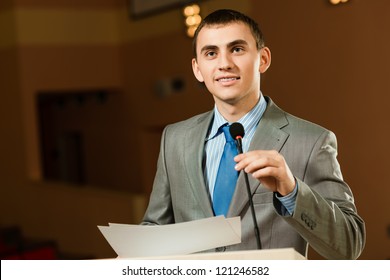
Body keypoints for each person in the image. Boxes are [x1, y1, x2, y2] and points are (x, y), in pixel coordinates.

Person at [141, 9, 365, 259]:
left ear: (264, 59)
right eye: (211, 53)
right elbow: (156, 227)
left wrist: (291, 190)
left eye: (237, 49)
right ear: (197, 68)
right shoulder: (174, 139)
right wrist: (134, 254)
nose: (224, 63)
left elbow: (349, 245)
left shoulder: (312, 141)